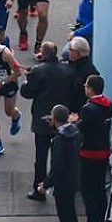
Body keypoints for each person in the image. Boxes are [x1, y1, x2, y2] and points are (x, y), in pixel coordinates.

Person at [21, 42, 74, 202]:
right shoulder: (67, 70)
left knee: (41, 156)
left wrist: (27, 80)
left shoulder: (38, 71)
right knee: (62, 155)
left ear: (43, 53)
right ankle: (60, 185)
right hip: (63, 117)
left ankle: (39, 188)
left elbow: (27, 92)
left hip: (42, 118)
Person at [73, 75, 112, 222]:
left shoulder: (88, 109)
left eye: (86, 86)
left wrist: (74, 122)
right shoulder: (108, 105)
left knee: (89, 193)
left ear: (90, 89)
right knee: (99, 191)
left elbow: (81, 128)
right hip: (103, 152)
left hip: (89, 154)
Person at [38, 104, 81, 222]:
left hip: (63, 183)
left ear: (54, 118)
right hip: (72, 179)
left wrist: (45, 185)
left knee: (65, 217)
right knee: (70, 215)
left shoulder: (59, 140)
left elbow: (57, 167)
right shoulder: (74, 132)